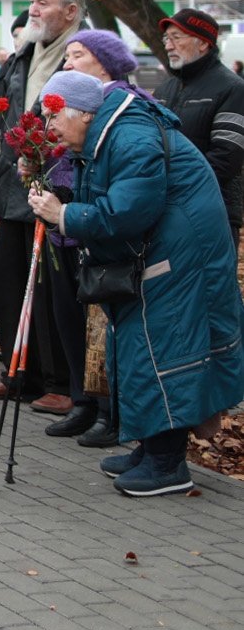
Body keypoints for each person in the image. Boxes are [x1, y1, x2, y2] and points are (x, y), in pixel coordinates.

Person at [27, 70, 244, 498]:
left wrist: (64, 215)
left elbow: (129, 212)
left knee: (163, 348)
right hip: (157, 253)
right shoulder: (107, 133)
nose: (49, 130)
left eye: (53, 120)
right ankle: (149, 449)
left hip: (181, 258)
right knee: (135, 346)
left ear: (84, 114)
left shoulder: (130, 138)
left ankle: (167, 464)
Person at [0, 0, 86, 405]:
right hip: (14, 185)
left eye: (43, 2)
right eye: (33, 1)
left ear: (71, 12)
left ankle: (60, 382)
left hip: (58, 189)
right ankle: (19, 372)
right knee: (8, 282)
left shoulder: (80, 54)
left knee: (51, 288)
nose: (33, 9)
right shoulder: (23, 55)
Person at [47, 29, 155, 439]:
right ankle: (83, 400)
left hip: (95, 226)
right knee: (70, 317)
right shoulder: (72, 98)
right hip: (65, 225)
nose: (68, 62)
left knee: (101, 326)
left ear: (105, 62)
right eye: (67, 55)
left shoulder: (124, 107)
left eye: (78, 54)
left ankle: (111, 411)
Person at [156, 8, 244, 250]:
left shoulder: (233, 88)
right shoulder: (165, 89)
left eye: (176, 37)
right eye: (166, 38)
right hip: (165, 210)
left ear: (203, 43)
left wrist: (174, 186)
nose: (168, 45)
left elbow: (227, 156)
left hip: (212, 211)